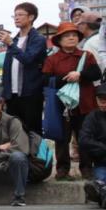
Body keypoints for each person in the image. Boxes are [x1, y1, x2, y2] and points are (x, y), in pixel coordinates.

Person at [42, 21, 101, 179]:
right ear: (59, 40)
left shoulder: (87, 55)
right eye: (67, 35)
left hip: (85, 104)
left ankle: (87, 168)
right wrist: (67, 78)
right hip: (62, 105)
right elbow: (45, 79)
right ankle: (62, 169)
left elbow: (96, 73)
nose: (71, 38)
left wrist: (80, 75)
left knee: (85, 137)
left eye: (74, 35)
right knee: (62, 138)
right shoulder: (52, 59)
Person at [0, 2, 48, 134]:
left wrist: (10, 44)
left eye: (20, 14)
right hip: (12, 94)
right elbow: (7, 68)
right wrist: (4, 92)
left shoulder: (38, 39)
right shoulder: (15, 39)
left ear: (31, 17)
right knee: (14, 131)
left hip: (30, 93)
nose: (16, 18)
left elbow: (27, 59)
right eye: (14, 15)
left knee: (32, 131)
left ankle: (36, 149)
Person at [78, 84, 106, 206]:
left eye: (105, 100)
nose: (103, 103)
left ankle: (102, 194)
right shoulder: (92, 117)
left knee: (100, 185)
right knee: (99, 182)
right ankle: (101, 191)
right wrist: (103, 148)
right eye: (100, 100)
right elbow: (84, 140)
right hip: (102, 162)